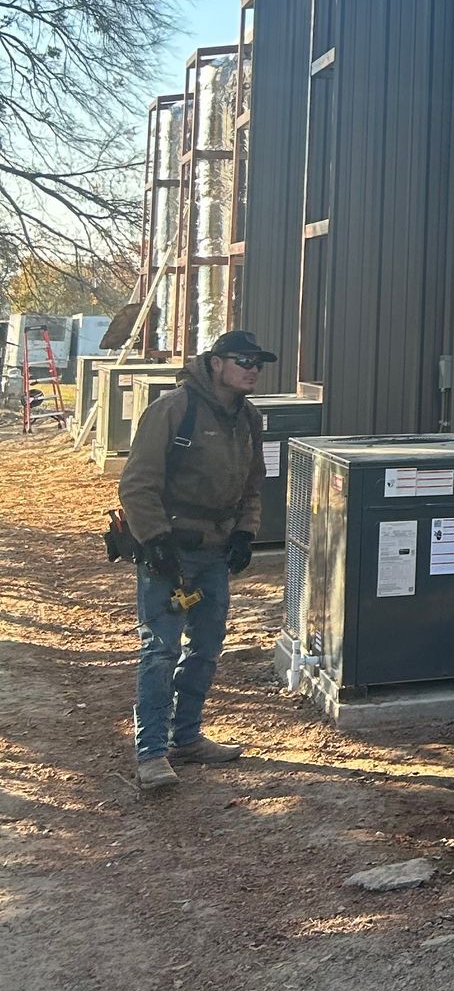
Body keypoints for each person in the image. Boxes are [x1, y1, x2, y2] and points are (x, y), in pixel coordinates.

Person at [118, 329, 274, 794]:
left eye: (258, 363)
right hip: (170, 550)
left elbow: (252, 484)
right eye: (243, 360)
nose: (252, 369)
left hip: (215, 552)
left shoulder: (248, 418)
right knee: (160, 650)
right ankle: (151, 754)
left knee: (205, 648)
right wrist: (155, 541)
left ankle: (185, 738)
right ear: (216, 363)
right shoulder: (174, 409)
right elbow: (137, 484)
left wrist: (246, 531)